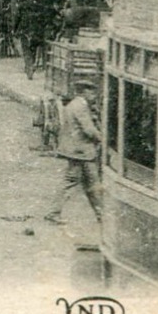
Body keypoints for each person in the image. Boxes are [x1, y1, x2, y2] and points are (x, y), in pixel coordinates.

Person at [47, 82, 103, 225]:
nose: (94, 96)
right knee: (84, 181)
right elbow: (88, 129)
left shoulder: (74, 104)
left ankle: (101, 214)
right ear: (84, 92)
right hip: (81, 151)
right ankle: (54, 212)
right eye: (92, 93)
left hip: (77, 150)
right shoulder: (80, 107)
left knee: (89, 182)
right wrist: (103, 138)